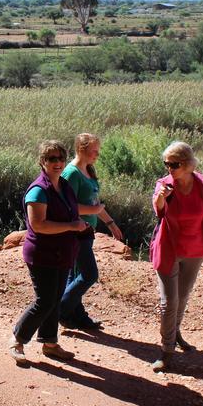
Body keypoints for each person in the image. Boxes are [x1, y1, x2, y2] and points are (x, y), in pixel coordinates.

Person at [9, 140, 91, 365]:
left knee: (55, 300)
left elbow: (69, 213)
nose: (57, 162)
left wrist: (79, 222)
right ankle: (17, 339)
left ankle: (50, 343)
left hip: (63, 253)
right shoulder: (38, 190)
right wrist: (73, 226)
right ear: (42, 161)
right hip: (42, 254)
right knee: (44, 301)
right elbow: (39, 225)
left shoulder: (63, 186)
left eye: (61, 158)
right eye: (51, 159)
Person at [149, 141, 203, 372]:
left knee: (182, 297)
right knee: (168, 301)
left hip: (195, 249)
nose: (169, 168)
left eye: (175, 164)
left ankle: (176, 332)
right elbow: (158, 210)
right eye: (166, 164)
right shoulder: (164, 184)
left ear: (188, 164)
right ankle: (166, 350)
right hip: (169, 248)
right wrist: (161, 197)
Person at [59, 133, 123, 331]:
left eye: (97, 150)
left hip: (87, 231)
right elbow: (65, 206)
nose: (97, 154)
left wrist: (110, 223)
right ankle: (60, 309)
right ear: (81, 149)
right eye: (94, 150)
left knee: (74, 275)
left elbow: (95, 204)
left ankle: (77, 317)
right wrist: (93, 211)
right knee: (89, 274)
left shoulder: (88, 170)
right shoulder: (71, 173)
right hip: (75, 231)